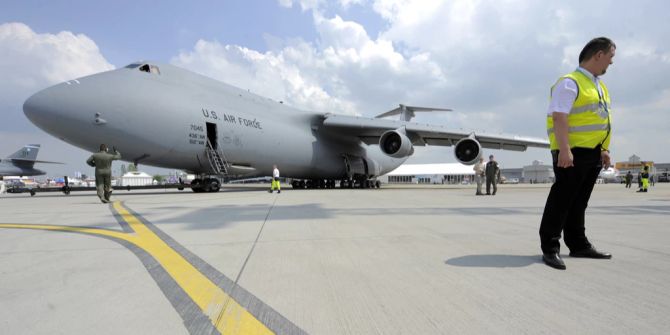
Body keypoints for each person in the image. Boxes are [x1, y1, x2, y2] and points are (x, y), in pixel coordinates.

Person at [539, 37, 616, 270]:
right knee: (561, 200)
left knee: (579, 202)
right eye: (611, 57)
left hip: (592, 152)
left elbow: (600, 118)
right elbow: (559, 116)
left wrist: (604, 149)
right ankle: (550, 248)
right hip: (572, 151)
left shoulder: (598, 85)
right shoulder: (570, 82)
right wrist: (564, 149)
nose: (612, 63)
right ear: (598, 55)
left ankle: (578, 244)